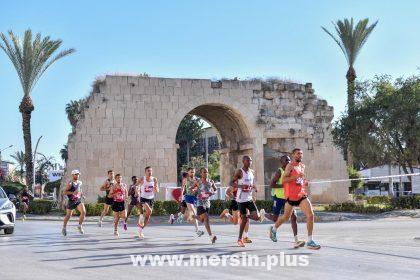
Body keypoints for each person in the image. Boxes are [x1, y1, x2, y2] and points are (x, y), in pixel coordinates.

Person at [269, 148, 321, 250]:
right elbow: (284, 180)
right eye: (298, 154)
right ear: (293, 155)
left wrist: (304, 181)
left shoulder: (302, 166)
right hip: (291, 197)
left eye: (301, 154)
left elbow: (299, 178)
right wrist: (296, 176)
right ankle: (274, 229)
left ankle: (310, 241)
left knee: (310, 215)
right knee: (285, 217)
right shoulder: (289, 166)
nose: (300, 155)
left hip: (301, 195)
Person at [265, 155, 305, 248]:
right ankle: (264, 214)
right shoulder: (280, 171)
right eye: (286, 160)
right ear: (281, 162)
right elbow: (271, 185)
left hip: (288, 198)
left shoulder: (292, 170)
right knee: (275, 218)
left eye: (289, 159)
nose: (288, 161)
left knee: (294, 217)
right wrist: (283, 185)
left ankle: (296, 240)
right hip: (278, 197)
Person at [231, 156, 265, 247]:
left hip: (249, 198)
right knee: (245, 220)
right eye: (247, 160)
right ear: (243, 161)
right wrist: (240, 186)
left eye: (250, 160)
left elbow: (253, 183)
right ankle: (239, 239)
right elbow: (231, 183)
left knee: (257, 217)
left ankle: (244, 217)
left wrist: (255, 188)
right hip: (241, 199)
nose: (249, 162)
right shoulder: (239, 171)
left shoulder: (251, 172)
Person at [192, 168, 217, 244]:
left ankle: (195, 217)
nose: (206, 173)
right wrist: (195, 191)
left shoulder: (211, 181)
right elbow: (191, 189)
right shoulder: (198, 182)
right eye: (204, 172)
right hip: (200, 202)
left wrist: (212, 193)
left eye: (207, 172)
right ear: (201, 173)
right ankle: (211, 236)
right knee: (206, 217)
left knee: (204, 220)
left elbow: (215, 190)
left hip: (207, 202)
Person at [62, 170, 86, 236]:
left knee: (83, 212)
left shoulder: (80, 182)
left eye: (78, 174)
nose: (77, 175)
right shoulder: (70, 183)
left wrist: (82, 195)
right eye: (76, 174)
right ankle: (64, 227)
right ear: (72, 175)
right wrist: (72, 193)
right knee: (68, 216)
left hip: (78, 200)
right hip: (71, 201)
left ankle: (79, 226)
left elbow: (79, 190)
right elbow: (65, 192)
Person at [137, 166, 159, 238]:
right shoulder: (142, 179)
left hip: (151, 199)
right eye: (148, 171)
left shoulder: (154, 179)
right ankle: (141, 217)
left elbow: (157, 190)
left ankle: (140, 229)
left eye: (151, 171)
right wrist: (137, 191)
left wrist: (156, 188)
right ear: (145, 172)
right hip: (143, 198)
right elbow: (135, 185)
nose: (150, 172)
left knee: (148, 216)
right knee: (149, 211)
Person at [182, 167, 204, 237]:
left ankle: (178, 217)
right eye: (191, 172)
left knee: (190, 216)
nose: (192, 173)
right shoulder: (185, 179)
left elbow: (200, 188)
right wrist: (181, 196)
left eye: (193, 172)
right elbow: (182, 188)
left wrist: (195, 189)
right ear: (188, 172)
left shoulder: (197, 179)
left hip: (195, 198)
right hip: (188, 197)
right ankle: (197, 231)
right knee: (194, 213)